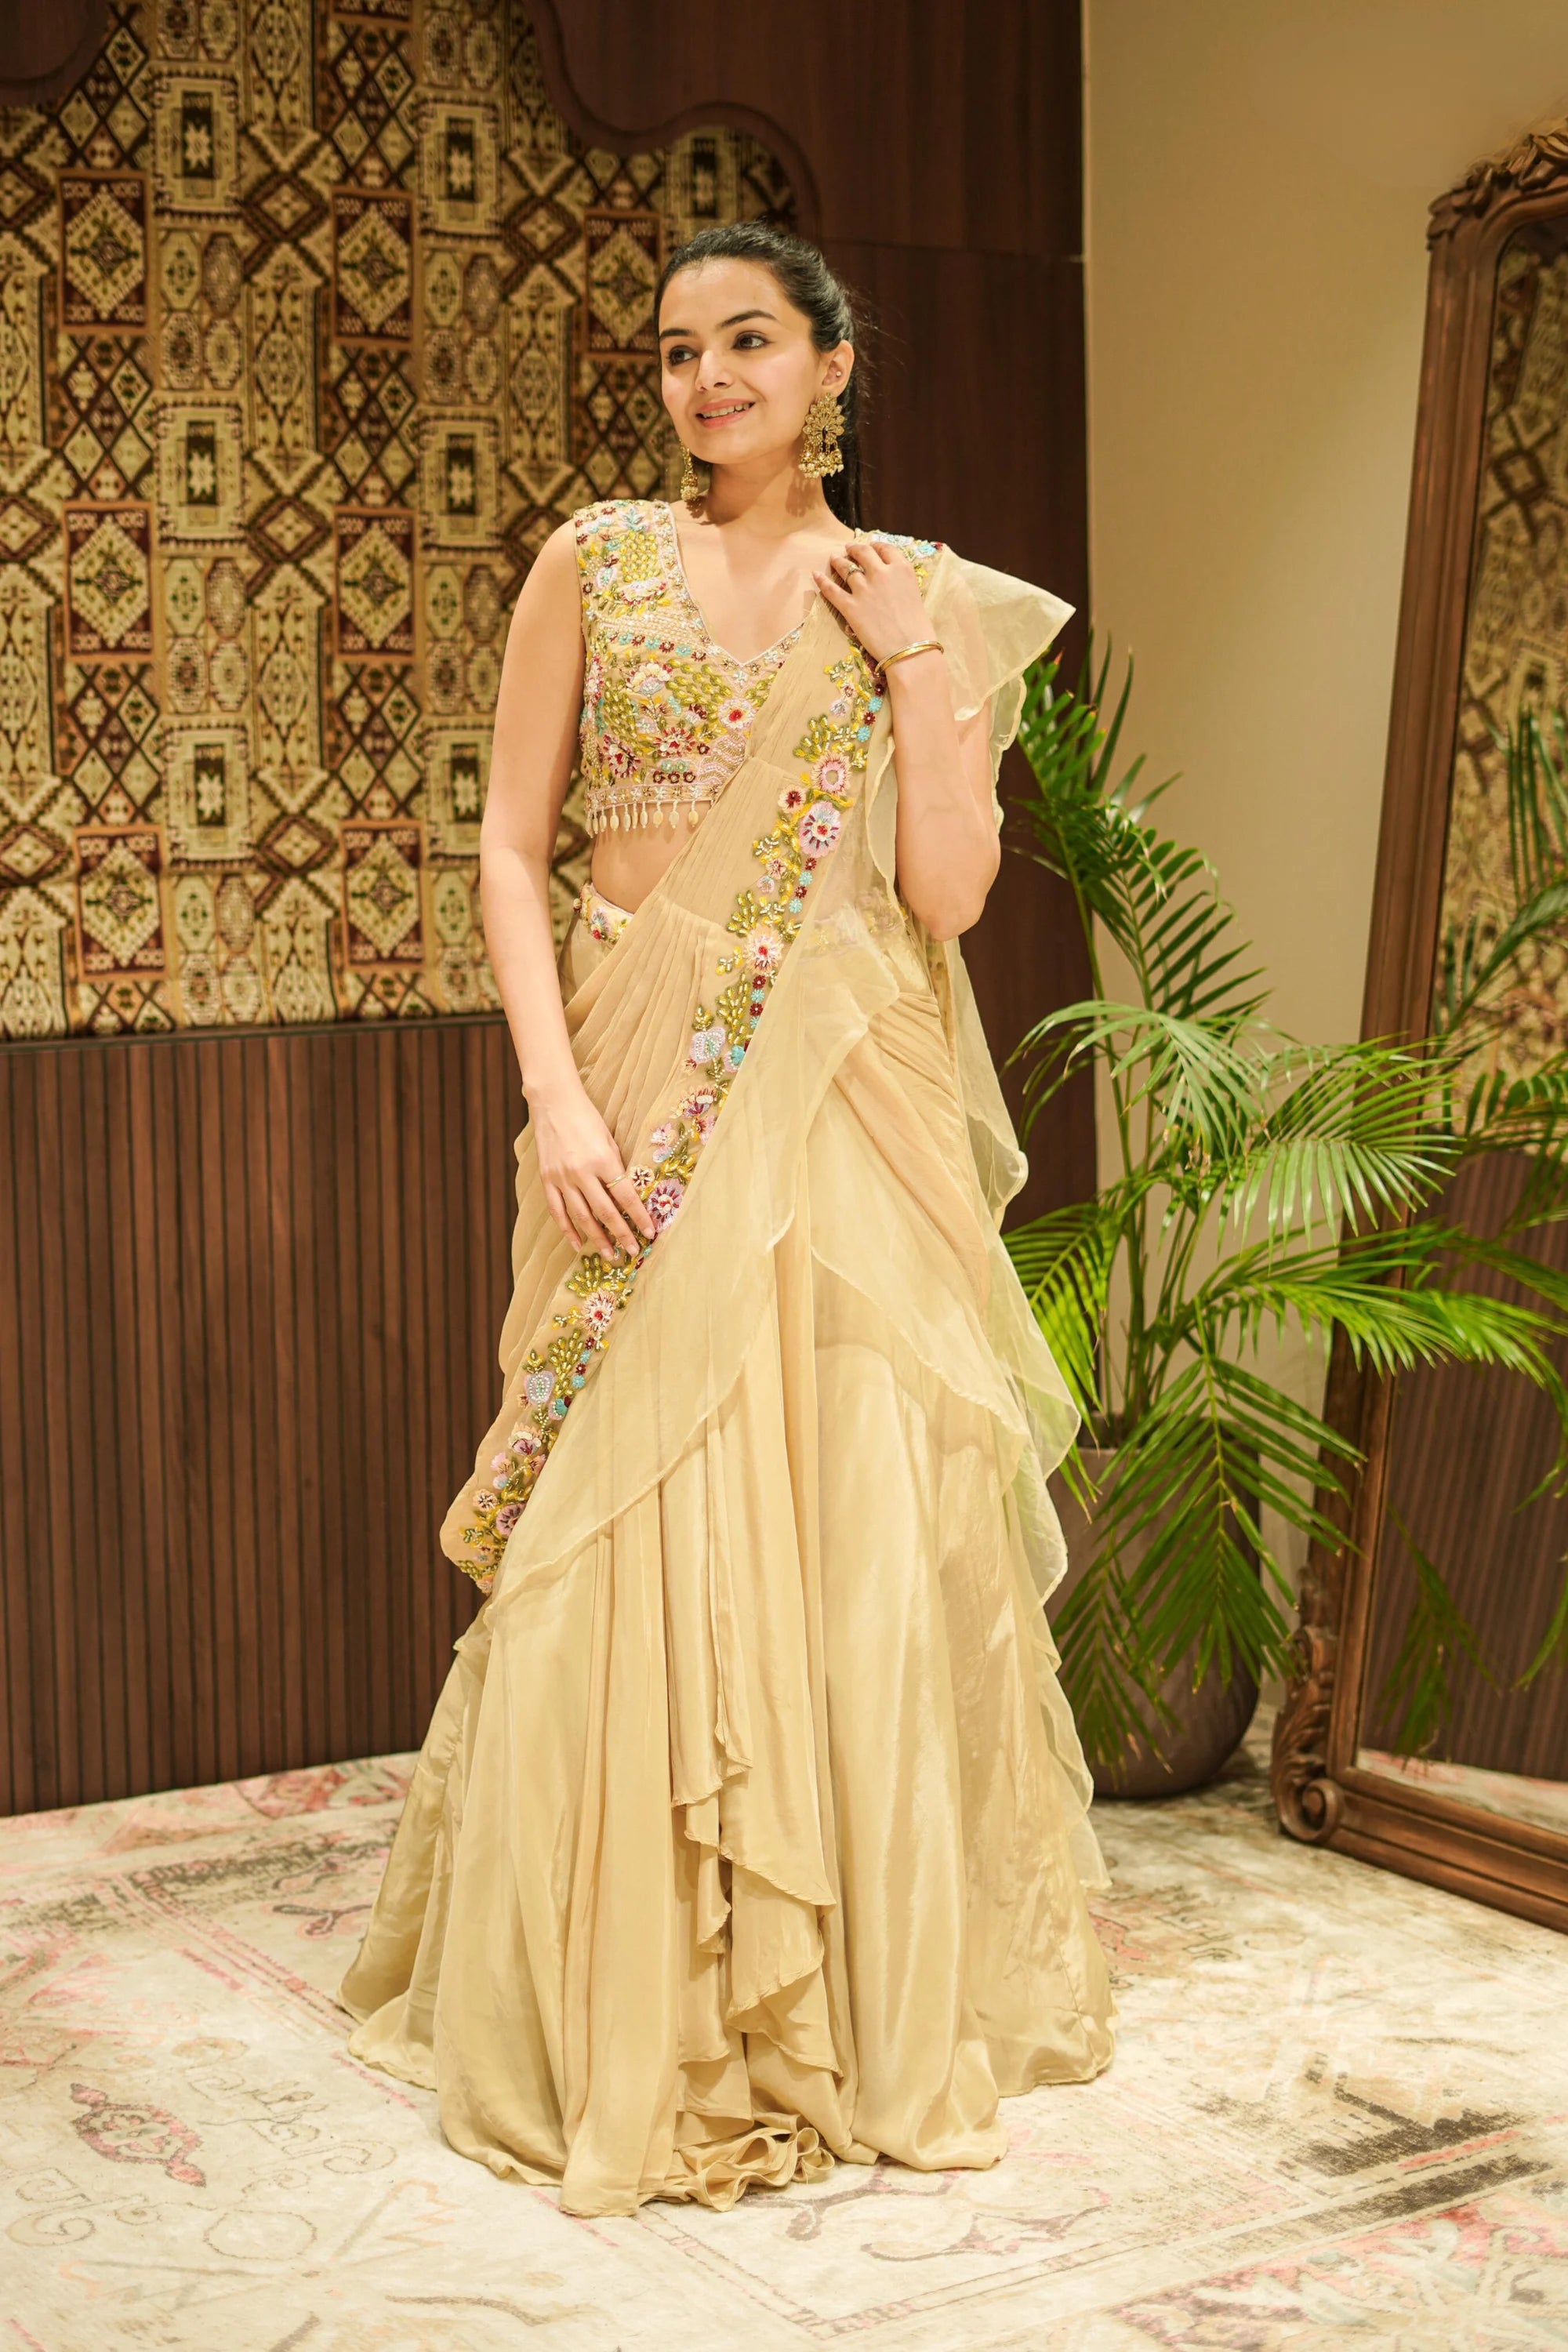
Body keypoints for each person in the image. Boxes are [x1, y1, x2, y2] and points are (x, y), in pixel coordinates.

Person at [339, 221, 1115, 2218]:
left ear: (834, 362)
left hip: (847, 1101)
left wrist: (914, 658)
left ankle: (844, 2005)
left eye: (750, 341)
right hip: (632, 1081)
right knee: (633, 1511)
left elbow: (947, 896)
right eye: (680, 351)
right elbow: (514, 848)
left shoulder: (918, 595)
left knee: (847, 1514)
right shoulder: (589, 563)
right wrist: (558, 1091)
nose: (709, 382)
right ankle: (630, 1999)